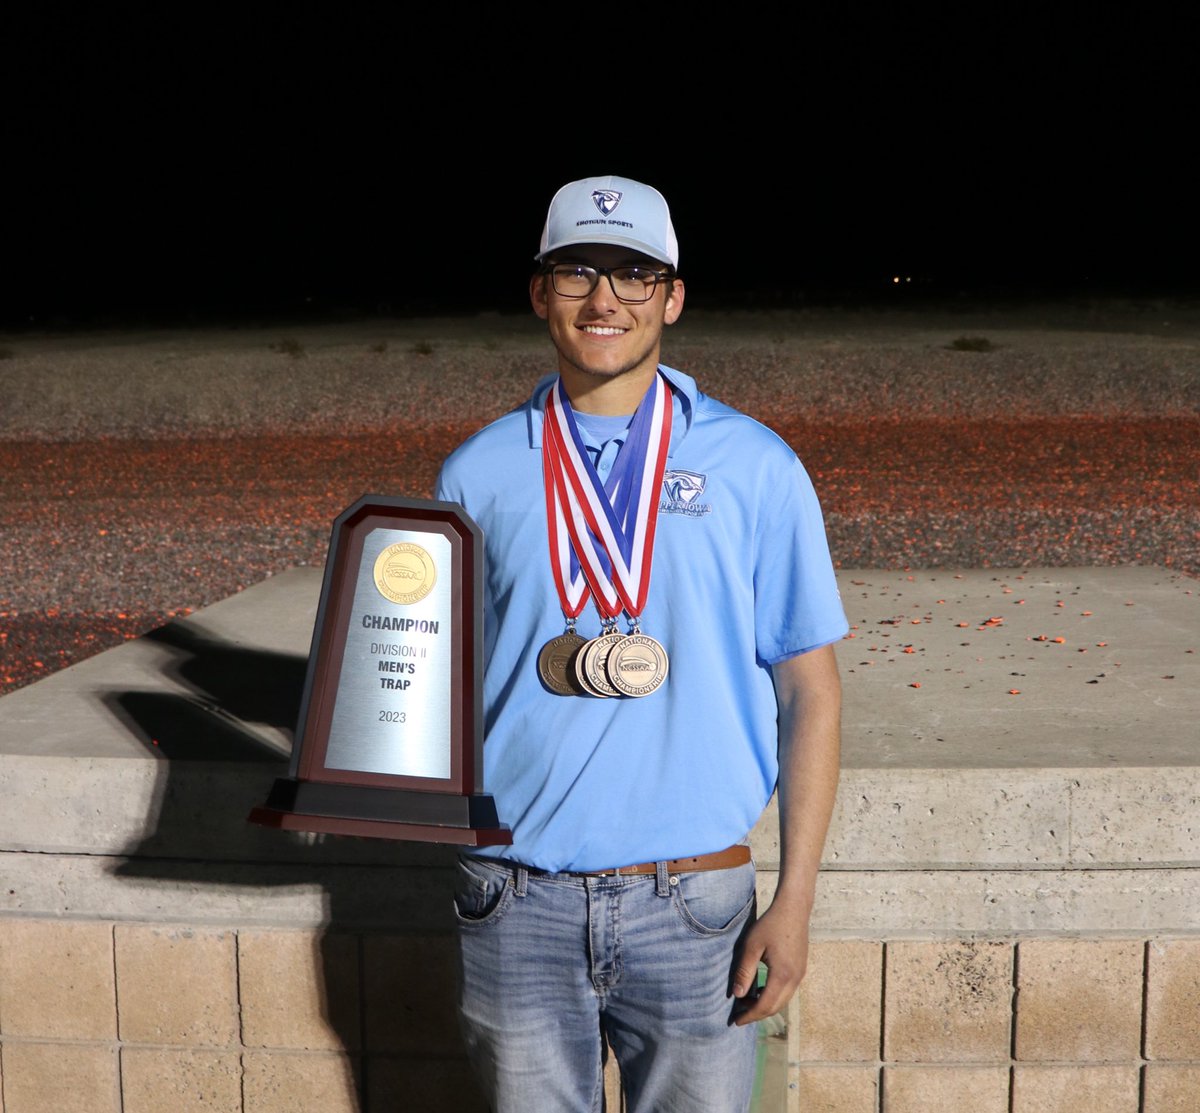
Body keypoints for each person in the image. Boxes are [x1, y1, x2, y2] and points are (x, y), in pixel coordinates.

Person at [435, 175, 847, 1113]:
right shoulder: (478, 470)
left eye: (633, 273)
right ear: (540, 292)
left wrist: (795, 900)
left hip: (696, 908)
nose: (604, 298)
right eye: (577, 270)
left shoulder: (757, 467)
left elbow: (810, 693)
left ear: (673, 296)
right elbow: (437, 685)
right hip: (517, 898)